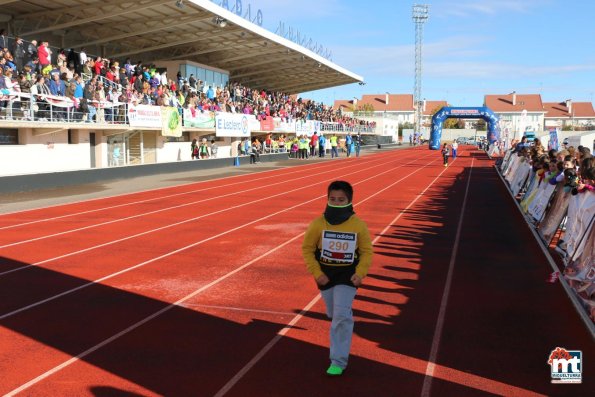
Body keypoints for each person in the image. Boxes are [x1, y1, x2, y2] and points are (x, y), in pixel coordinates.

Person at [302, 180, 373, 376]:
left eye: (341, 200)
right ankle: (341, 315)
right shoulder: (318, 223)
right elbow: (307, 249)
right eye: (332, 199)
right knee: (334, 313)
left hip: (347, 276)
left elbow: (366, 251)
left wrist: (360, 274)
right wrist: (317, 273)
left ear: (349, 201)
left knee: (341, 316)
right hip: (325, 275)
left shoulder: (358, 225)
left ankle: (338, 361)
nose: (336, 203)